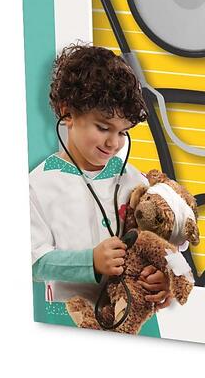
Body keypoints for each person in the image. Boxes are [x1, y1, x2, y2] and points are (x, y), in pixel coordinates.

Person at [29, 44, 171, 328]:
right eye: (103, 128)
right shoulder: (39, 186)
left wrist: (161, 279)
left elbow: (160, 246)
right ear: (67, 113)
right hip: (69, 323)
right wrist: (90, 261)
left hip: (133, 323)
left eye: (123, 132)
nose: (113, 143)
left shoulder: (135, 181)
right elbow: (36, 262)